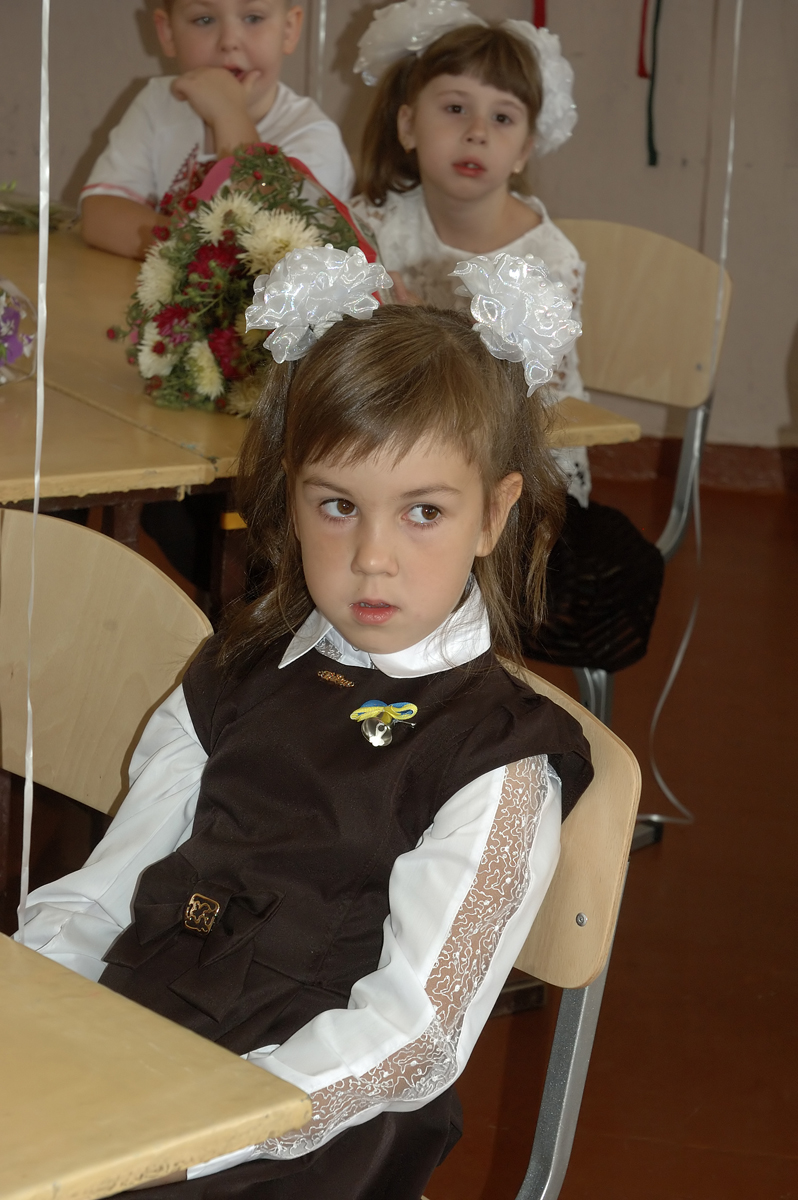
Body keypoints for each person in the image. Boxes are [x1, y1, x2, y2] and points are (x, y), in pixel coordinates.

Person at [17, 246, 593, 1200]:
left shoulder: (496, 757)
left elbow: (413, 1035)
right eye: (337, 506)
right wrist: (31, 1010)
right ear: (291, 498)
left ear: (494, 515)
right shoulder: (234, 676)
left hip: (306, 1117)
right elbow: (103, 897)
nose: (372, 557)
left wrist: (202, 1125)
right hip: (145, 1035)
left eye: (422, 512)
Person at [349, 2, 591, 506]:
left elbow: (528, 409)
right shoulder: (371, 225)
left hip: (513, 478)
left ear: (524, 150)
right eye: (456, 108)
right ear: (408, 125)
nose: (477, 131)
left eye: (502, 117)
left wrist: (428, 335)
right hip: (388, 456)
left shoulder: (548, 260)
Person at [82, 0, 355, 259]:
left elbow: (275, 249)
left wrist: (228, 113)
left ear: (289, 29)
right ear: (168, 33)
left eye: (253, 18)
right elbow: (98, 216)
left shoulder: (314, 137)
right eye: (204, 20)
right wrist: (196, 252)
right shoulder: (159, 102)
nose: (229, 41)